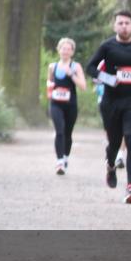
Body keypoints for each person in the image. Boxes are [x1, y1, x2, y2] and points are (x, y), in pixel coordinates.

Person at [85, 10, 131, 204]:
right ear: (115, 26)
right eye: (120, 23)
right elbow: (90, 67)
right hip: (111, 102)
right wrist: (108, 78)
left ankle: (130, 188)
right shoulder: (107, 46)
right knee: (114, 143)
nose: (124, 26)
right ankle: (110, 166)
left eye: (127, 23)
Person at [47, 38, 88, 174]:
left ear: (72, 52)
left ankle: (65, 157)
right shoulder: (52, 67)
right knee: (59, 131)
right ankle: (59, 162)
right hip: (55, 104)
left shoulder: (76, 67)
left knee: (68, 133)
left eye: (68, 49)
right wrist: (50, 92)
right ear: (58, 50)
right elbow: (50, 83)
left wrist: (71, 74)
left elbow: (83, 86)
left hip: (70, 105)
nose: (65, 51)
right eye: (63, 49)